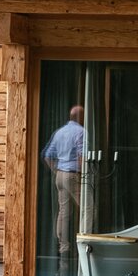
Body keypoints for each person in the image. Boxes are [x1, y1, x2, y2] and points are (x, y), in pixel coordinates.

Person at [42, 105, 85, 265]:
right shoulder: (81, 132)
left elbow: (47, 155)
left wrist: (57, 171)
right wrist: (81, 173)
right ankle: (89, 243)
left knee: (64, 212)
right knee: (88, 208)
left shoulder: (60, 132)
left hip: (60, 174)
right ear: (80, 117)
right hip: (73, 174)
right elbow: (81, 155)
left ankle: (64, 248)